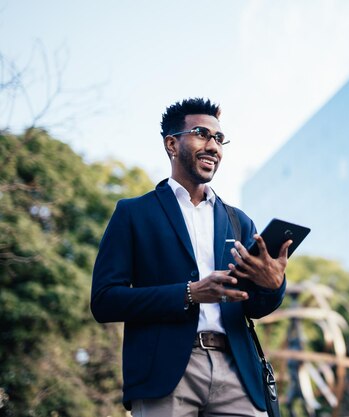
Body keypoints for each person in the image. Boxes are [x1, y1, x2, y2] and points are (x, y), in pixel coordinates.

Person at [91, 97, 291, 417]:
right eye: (201, 133)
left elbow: (254, 305)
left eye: (219, 138)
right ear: (172, 144)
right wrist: (189, 293)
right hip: (166, 375)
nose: (213, 146)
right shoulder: (133, 213)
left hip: (237, 372)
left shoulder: (239, 221)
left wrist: (272, 285)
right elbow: (104, 301)